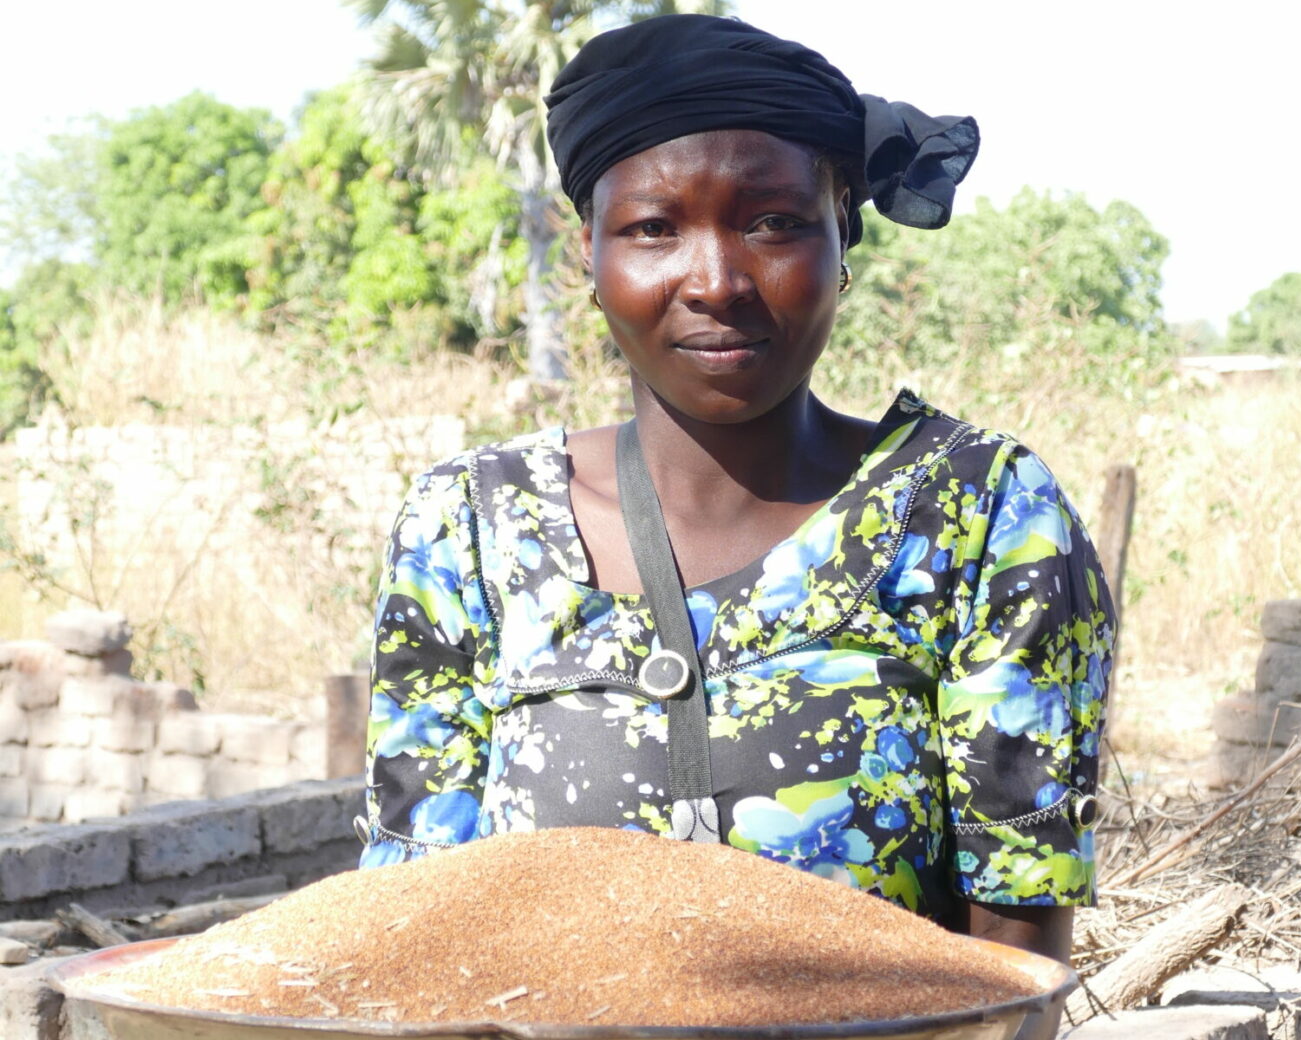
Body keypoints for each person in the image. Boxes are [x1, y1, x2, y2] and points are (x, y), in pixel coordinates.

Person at [357, 13, 1114, 1026]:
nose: (714, 280)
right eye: (653, 228)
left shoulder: (973, 512)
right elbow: (405, 926)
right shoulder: (471, 527)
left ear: (844, 233)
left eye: (772, 222)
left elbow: (1015, 950)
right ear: (587, 252)